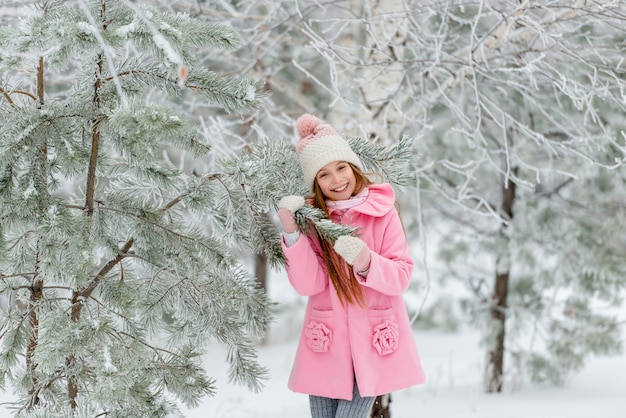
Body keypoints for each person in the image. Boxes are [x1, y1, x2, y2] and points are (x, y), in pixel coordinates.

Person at [277, 114, 425, 418]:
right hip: (327, 340)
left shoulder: (382, 213)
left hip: (370, 341)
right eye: (324, 175)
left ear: (353, 167)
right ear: (315, 183)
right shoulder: (316, 220)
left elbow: (401, 276)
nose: (336, 180)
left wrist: (365, 260)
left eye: (341, 167)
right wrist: (292, 233)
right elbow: (310, 285)